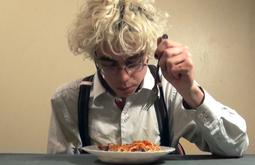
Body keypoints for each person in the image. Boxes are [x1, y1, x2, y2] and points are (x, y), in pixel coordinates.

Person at [47, 0, 249, 156]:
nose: (124, 77)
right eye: (109, 63)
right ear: (94, 56)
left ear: (148, 52)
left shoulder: (171, 92)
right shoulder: (69, 100)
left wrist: (191, 91)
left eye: (133, 61)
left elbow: (237, 146)